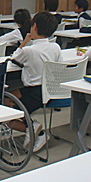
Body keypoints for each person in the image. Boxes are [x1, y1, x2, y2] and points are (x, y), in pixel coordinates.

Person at [9, 12, 63, 152]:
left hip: (34, 93)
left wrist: (24, 42)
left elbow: (14, 59)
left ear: (34, 27)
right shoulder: (55, 47)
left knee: (7, 118)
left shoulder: (29, 50)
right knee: (7, 97)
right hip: (48, 90)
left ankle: (34, 129)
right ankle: (32, 126)